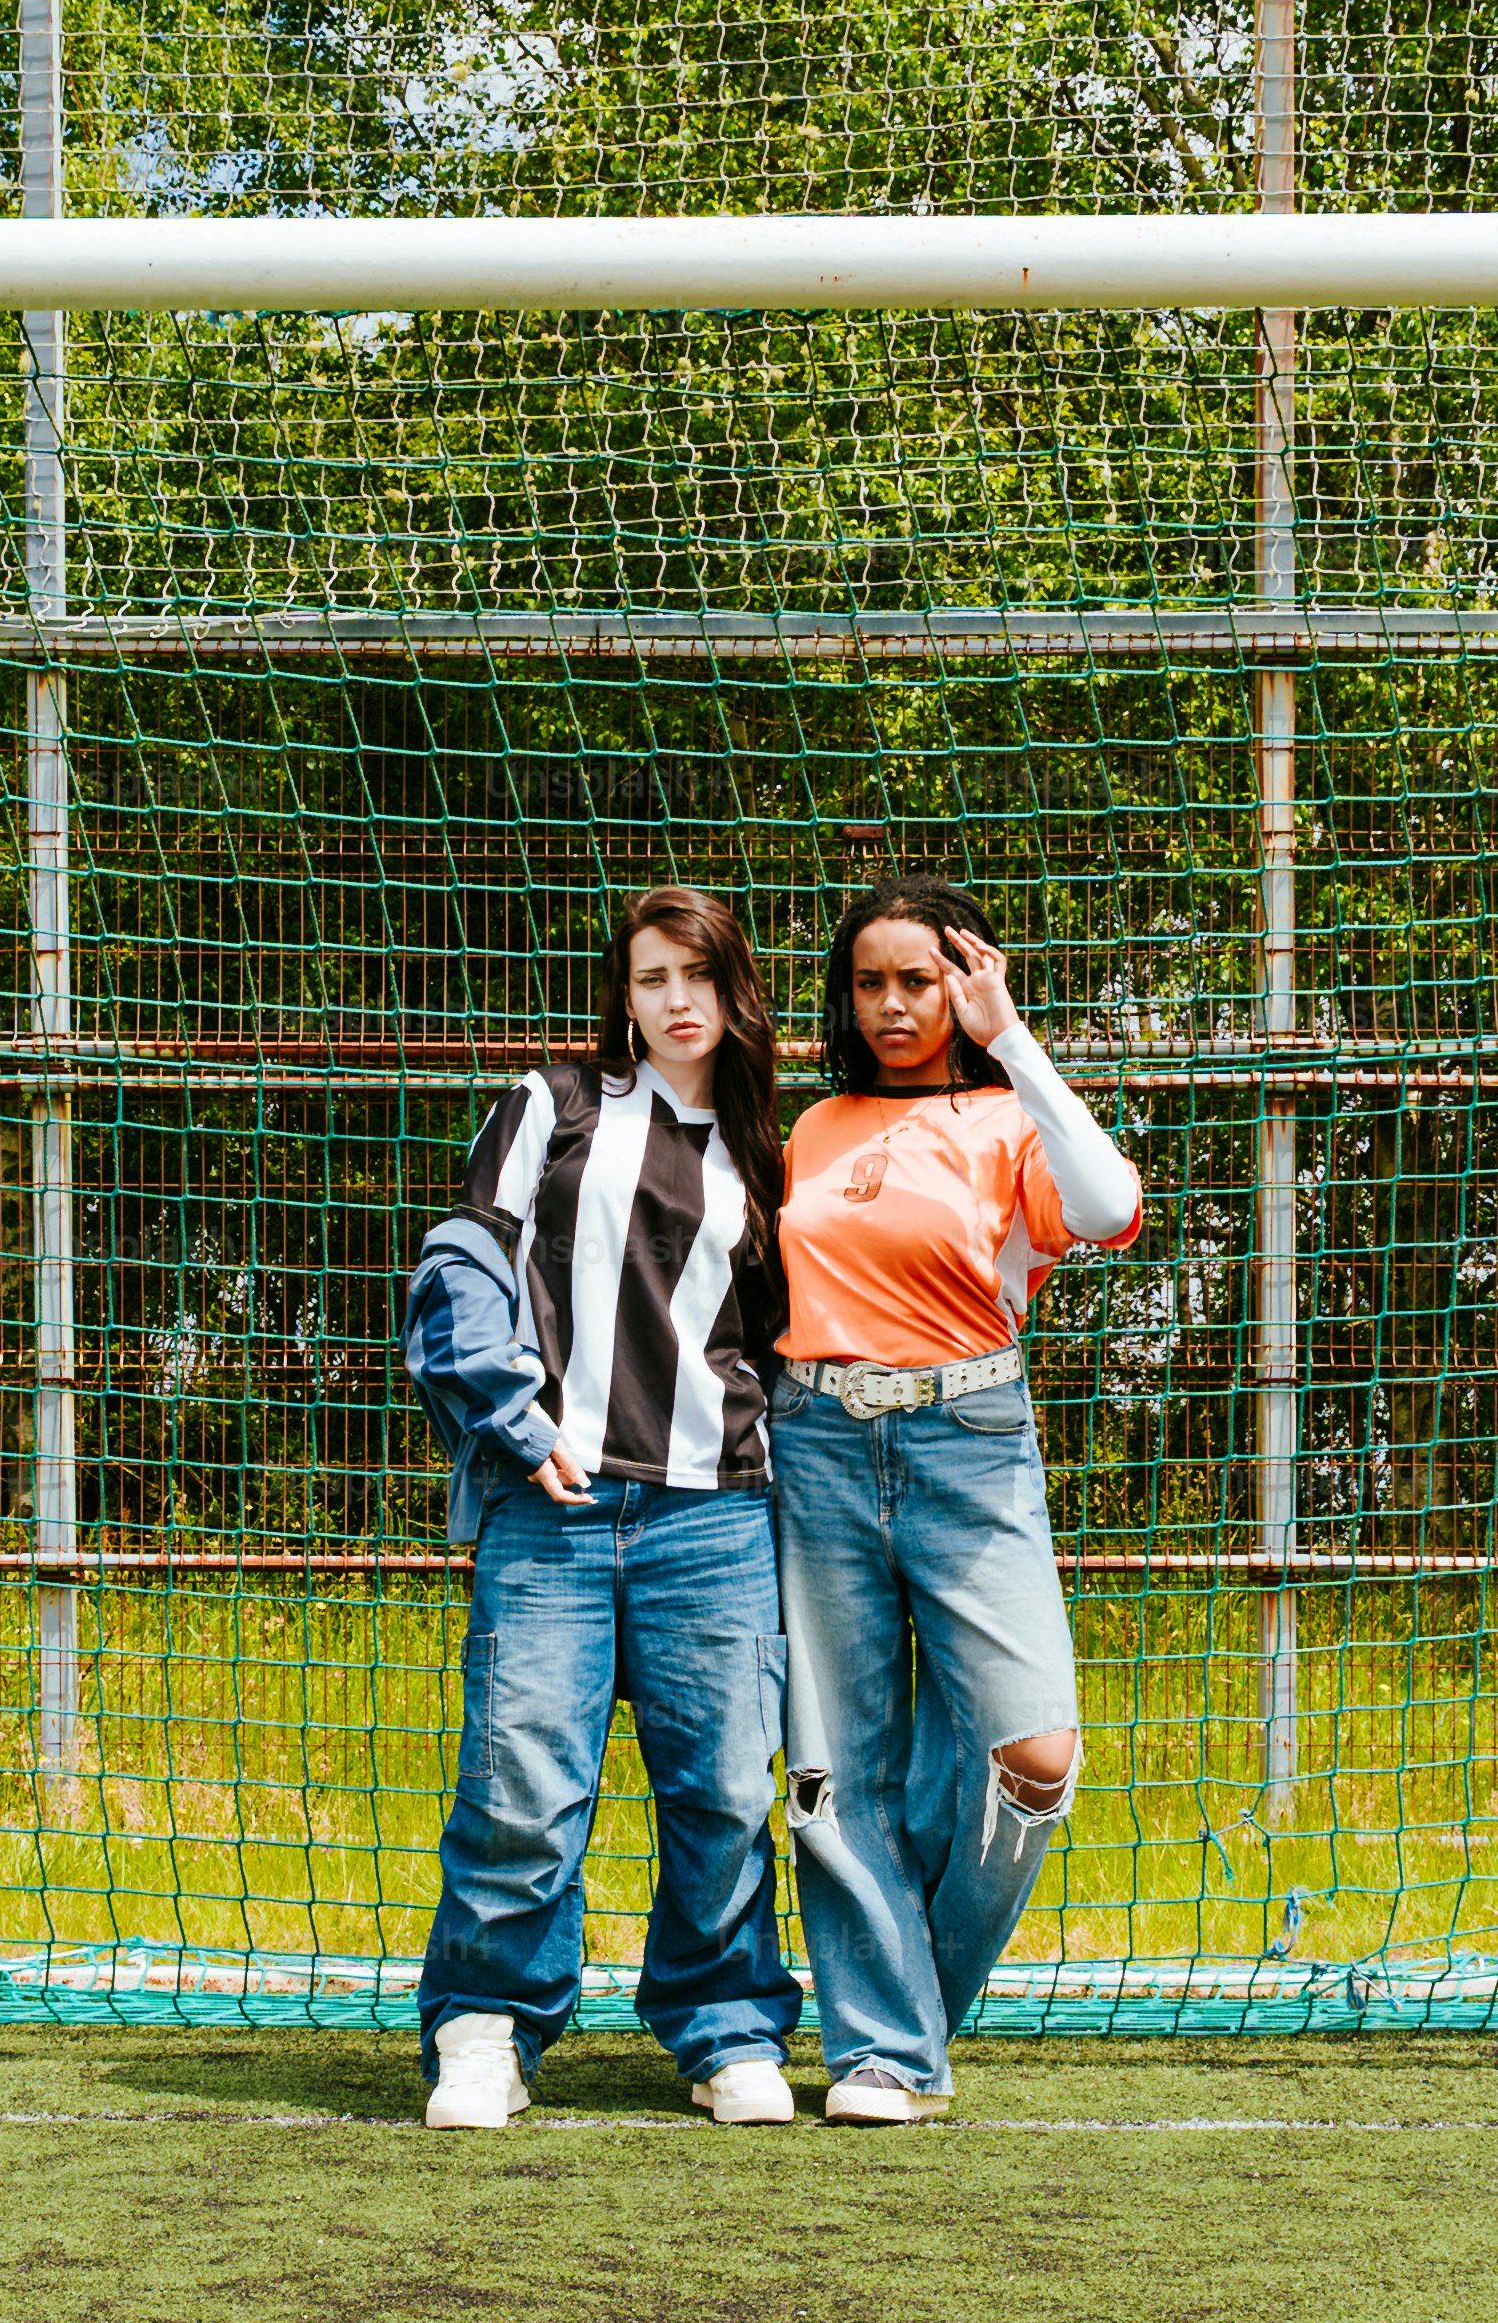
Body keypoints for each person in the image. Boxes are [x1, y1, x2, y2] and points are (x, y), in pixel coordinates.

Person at [391, 886, 809, 2132]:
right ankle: (486, 2028)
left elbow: (782, 1348)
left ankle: (726, 2026)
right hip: (554, 1510)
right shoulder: (555, 1102)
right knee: (520, 1784)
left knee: (725, 1792)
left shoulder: (774, 1152)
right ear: (622, 994)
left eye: (698, 974)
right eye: (651, 977)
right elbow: (461, 1261)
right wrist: (512, 1422)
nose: (677, 1000)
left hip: (716, 1517)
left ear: (736, 989)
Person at [765, 874, 1140, 2124]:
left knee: (1032, 1751)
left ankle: (909, 2001)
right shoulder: (809, 1129)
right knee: (836, 1771)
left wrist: (1011, 1037)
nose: (891, 1004)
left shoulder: (1008, 1119)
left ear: (960, 984)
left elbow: (1112, 1207)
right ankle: (884, 2055)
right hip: (814, 1441)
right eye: (869, 982)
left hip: (969, 1441)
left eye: (917, 980)